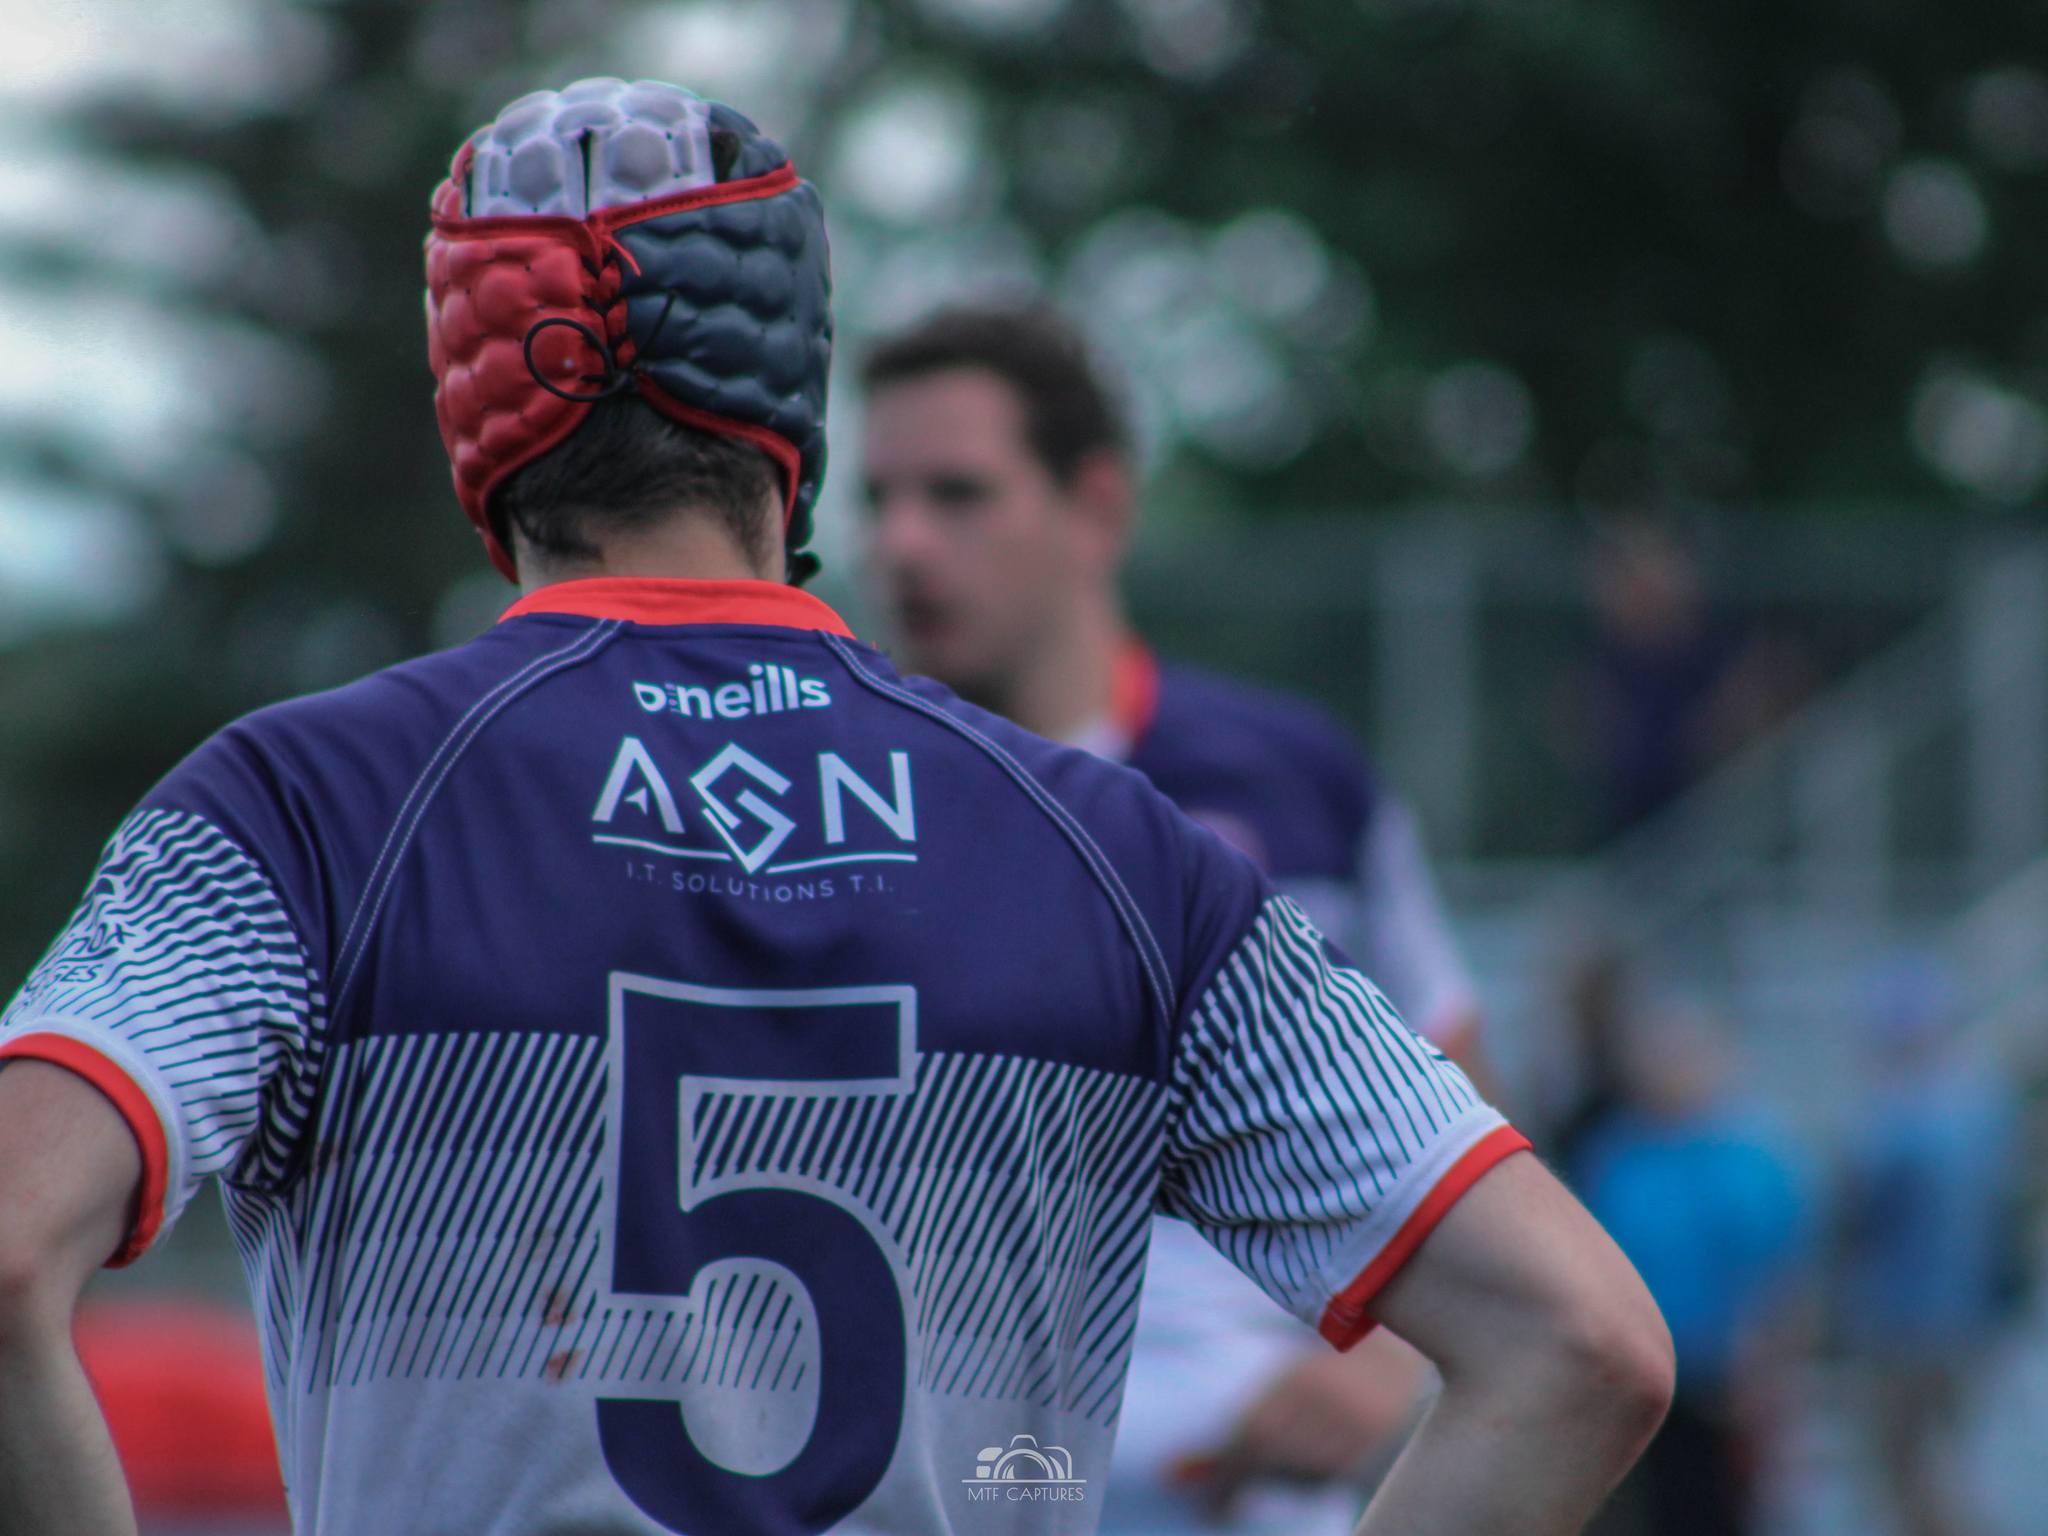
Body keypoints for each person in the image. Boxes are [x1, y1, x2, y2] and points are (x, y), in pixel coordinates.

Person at [0, 78, 1671, 1536]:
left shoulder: (304, 810)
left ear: (480, 421)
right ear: (793, 423)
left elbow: (9, 1255)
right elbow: (1581, 1347)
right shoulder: (1125, 857)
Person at [857, 303, 1490, 1533]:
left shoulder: (1294, 784)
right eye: (876, 500)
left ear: (1096, 507)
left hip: (1253, 1501)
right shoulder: (836, 813)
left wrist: (1376, 1368)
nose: (903, 544)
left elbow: (1469, 1118)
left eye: (957, 494)